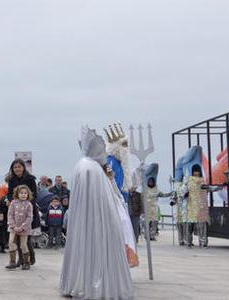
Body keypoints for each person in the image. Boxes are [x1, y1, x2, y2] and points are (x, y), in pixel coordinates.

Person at [60, 127, 135, 299]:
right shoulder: (91, 168)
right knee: (97, 250)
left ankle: (79, 281)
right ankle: (97, 284)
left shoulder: (83, 165)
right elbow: (100, 198)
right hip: (98, 220)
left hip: (88, 221)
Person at [6, 159, 37, 265]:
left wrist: (26, 203)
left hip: (28, 209)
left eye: (19, 167)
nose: (17, 169)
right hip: (16, 210)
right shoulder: (11, 180)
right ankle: (20, 260)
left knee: (26, 238)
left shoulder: (30, 179)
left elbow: (34, 195)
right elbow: (10, 193)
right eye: (15, 167)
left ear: (23, 167)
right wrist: (12, 201)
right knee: (16, 238)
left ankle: (30, 258)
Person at [184, 164, 216, 248]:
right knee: (189, 226)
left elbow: (210, 188)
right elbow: (183, 192)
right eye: (194, 172)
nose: (196, 174)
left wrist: (220, 187)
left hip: (202, 207)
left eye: (197, 172)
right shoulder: (188, 182)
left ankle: (203, 242)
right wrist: (185, 195)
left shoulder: (203, 182)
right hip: (191, 207)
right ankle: (188, 242)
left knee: (202, 226)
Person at [5, 185, 33, 270]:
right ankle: (12, 262)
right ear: (17, 193)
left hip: (24, 229)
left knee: (23, 245)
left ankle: (26, 263)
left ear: (28, 194)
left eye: (25, 193)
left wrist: (22, 227)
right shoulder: (13, 203)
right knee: (11, 243)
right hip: (13, 229)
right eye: (21, 193)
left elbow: (29, 217)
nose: (23, 195)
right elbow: (10, 215)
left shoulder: (29, 204)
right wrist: (13, 226)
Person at [144, 176, 171, 241]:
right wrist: (156, 194)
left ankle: (152, 235)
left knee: (154, 223)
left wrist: (170, 194)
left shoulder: (156, 189)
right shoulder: (145, 189)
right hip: (147, 208)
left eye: (152, 182)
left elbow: (163, 195)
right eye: (149, 181)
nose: (150, 183)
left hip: (154, 208)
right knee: (147, 223)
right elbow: (149, 195)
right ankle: (147, 235)